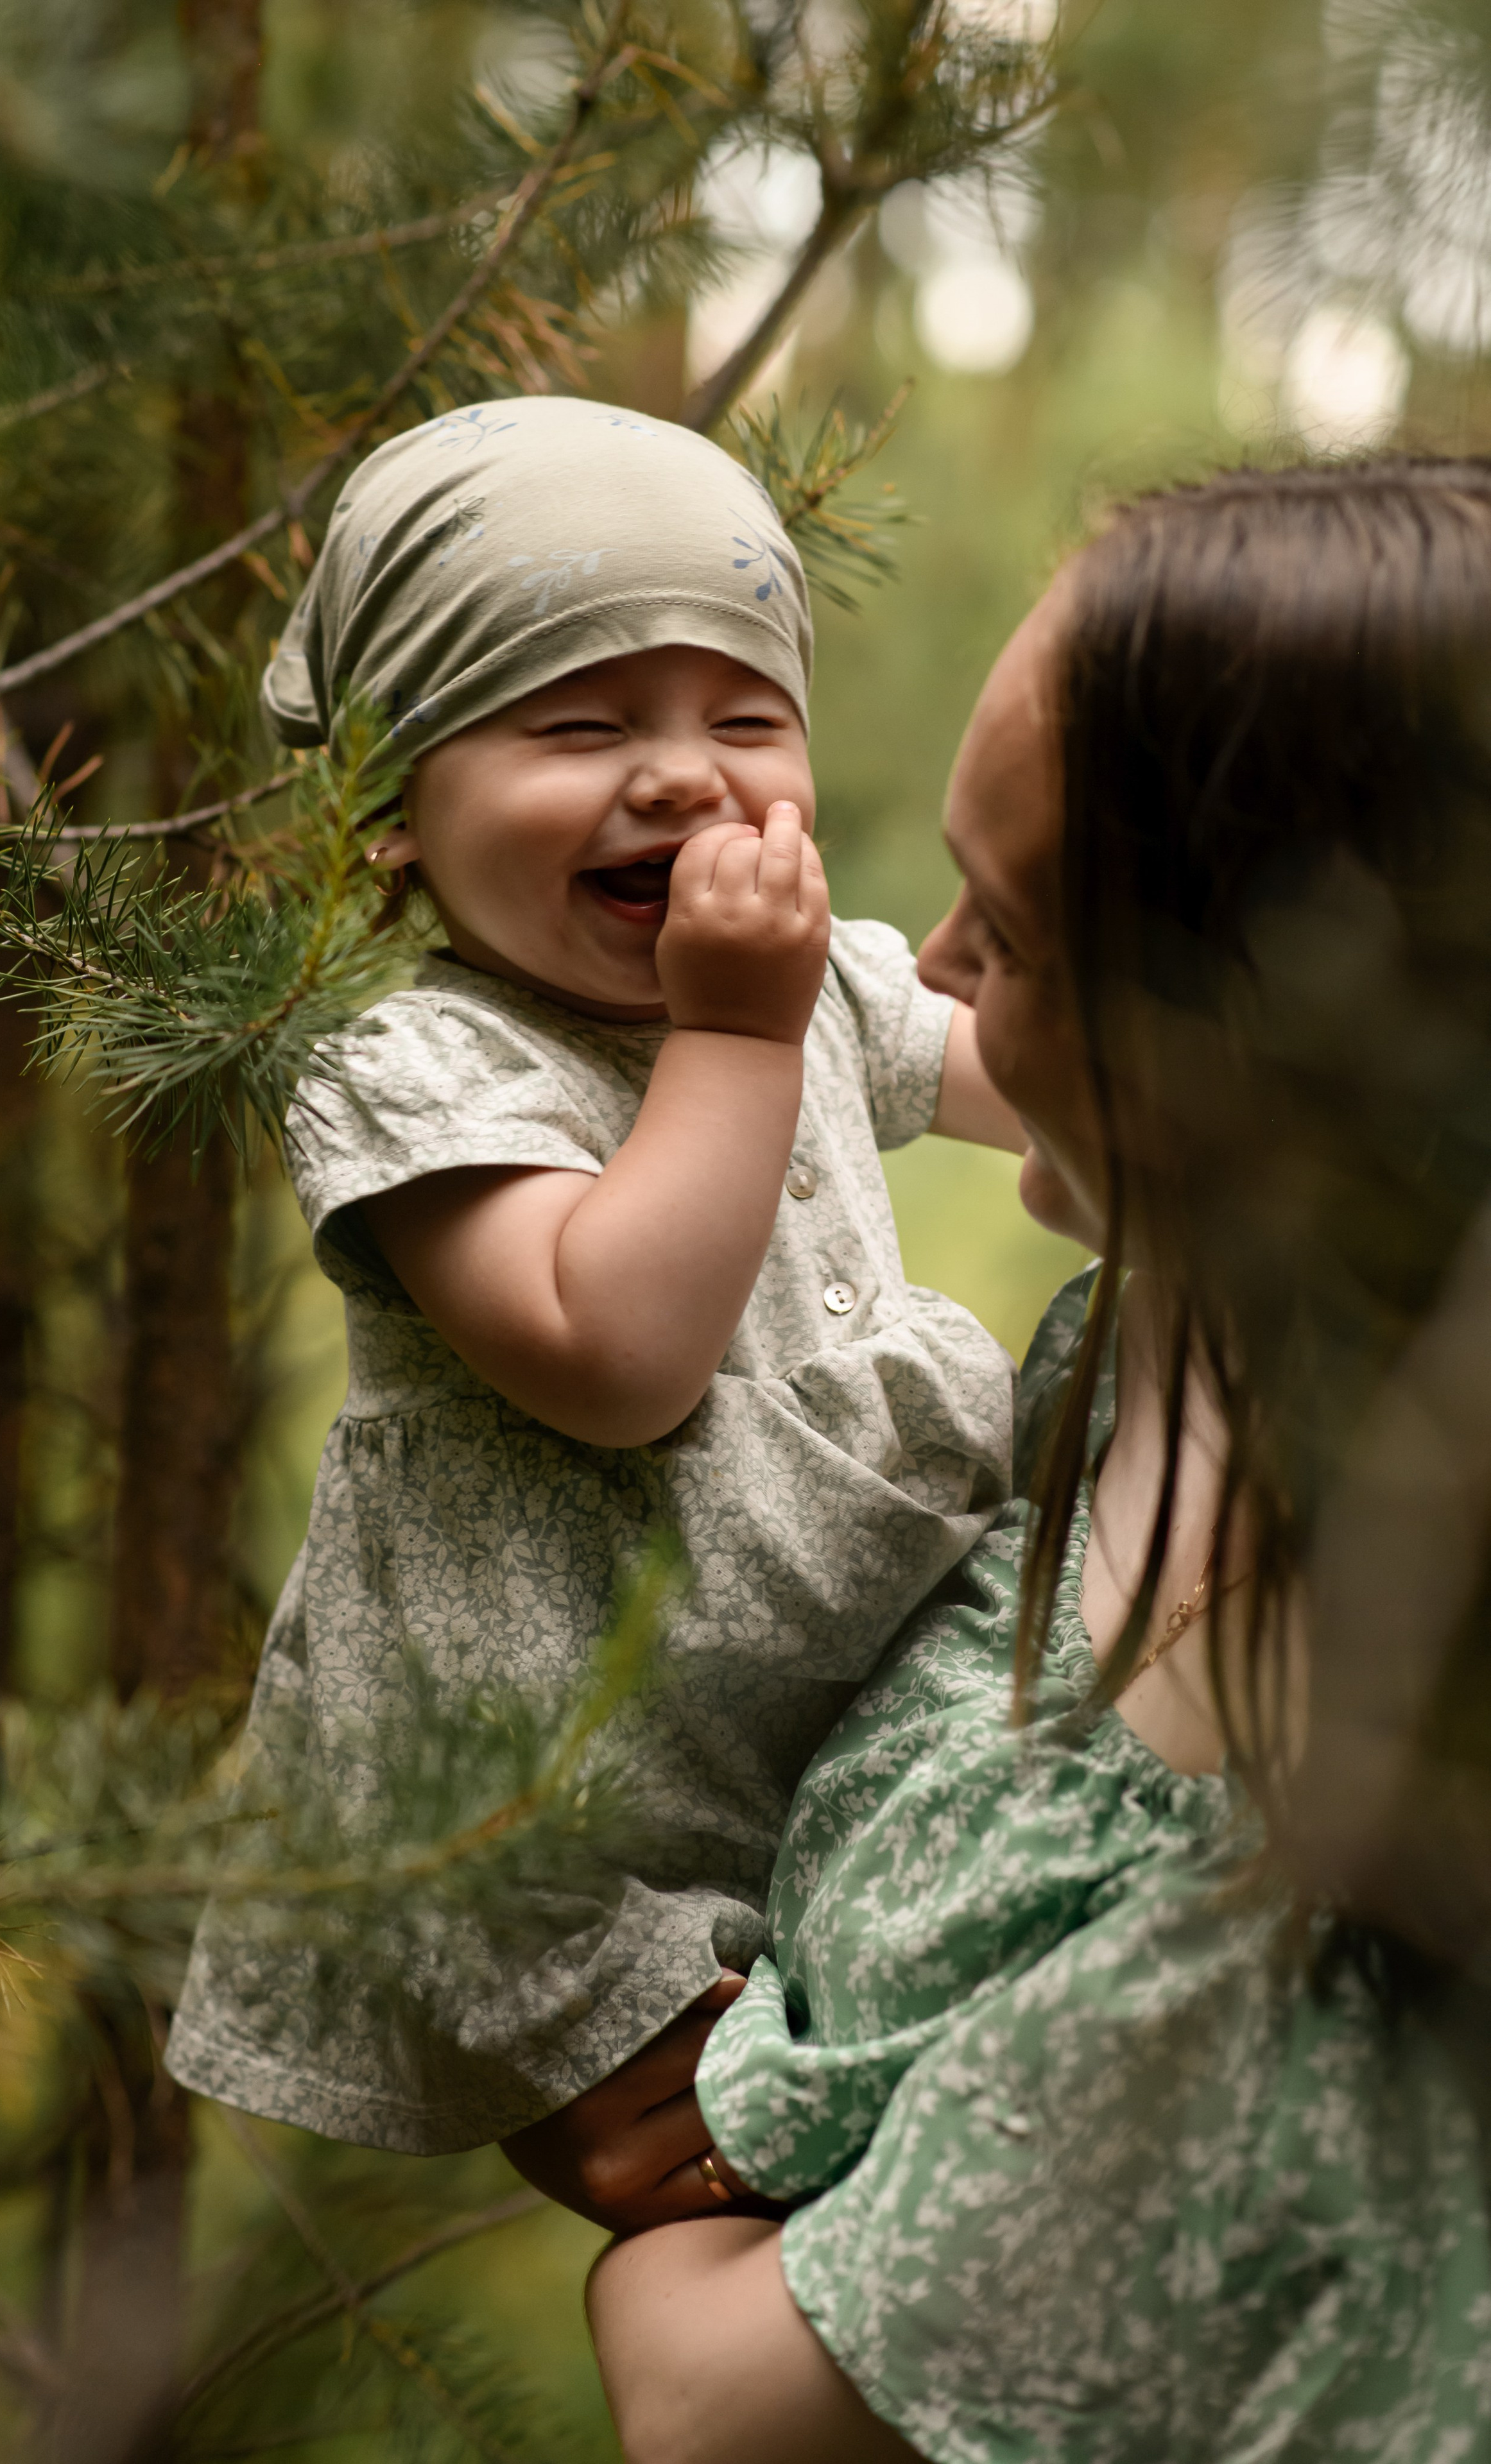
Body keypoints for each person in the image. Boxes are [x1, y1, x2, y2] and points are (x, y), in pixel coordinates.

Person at [585, 459, 1491, 2462]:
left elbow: (708, 2412)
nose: (928, 974)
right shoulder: (1186, 1312)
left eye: (1011, 926)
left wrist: (665, 2190)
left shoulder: (1325, 1856)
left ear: (1281, 1022)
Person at [165, 396, 1024, 2166]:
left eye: (744, 716)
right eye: (576, 725)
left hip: (825, 1730)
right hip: (555, 1841)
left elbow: (1064, 1090)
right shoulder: (412, 1070)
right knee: (755, 2170)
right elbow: (617, 1354)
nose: (685, 777)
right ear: (388, 811)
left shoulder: (820, 985)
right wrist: (733, 1031)